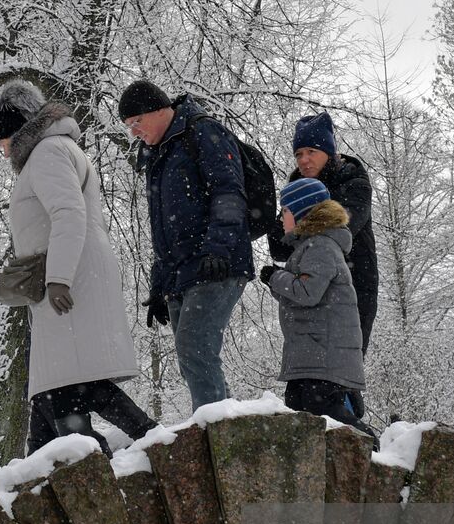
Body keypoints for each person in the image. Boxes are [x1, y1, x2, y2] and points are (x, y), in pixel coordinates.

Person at [0, 79, 156, 454]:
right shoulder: (52, 152)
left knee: (69, 381)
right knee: (56, 386)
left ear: (15, 130)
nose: (2, 153)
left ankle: (139, 440)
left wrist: (58, 280)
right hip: (63, 276)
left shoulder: (48, 152)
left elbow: (67, 213)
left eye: (1, 143)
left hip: (69, 277)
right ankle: (49, 467)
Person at [120, 79, 253, 411]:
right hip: (183, 273)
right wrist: (158, 287)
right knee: (191, 357)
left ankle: (219, 440)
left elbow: (228, 190)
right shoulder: (157, 156)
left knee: (196, 348)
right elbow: (164, 231)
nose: (134, 132)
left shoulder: (202, 132)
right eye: (128, 127)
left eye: (136, 121)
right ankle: (223, 428)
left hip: (218, 264)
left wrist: (218, 248)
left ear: (159, 109)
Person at [259, 178, 373, 436]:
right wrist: (278, 282)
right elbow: (301, 297)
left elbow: (307, 292)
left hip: (324, 356)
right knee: (301, 411)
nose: (280, 218)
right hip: (313, 354)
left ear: (301, 213)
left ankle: (368, 444)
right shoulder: (310, 247)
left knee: (322, 411)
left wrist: (275, 278)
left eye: (285, 211)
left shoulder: (320, 246)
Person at [269, 111, 379, 354]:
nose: (304, 160)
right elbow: (279, 247)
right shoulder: (295, 192)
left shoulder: (353, 182)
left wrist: (295, 222)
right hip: (309, 291)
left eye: (311, 152)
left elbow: (340, 226)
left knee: (345, 366)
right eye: (299, 154)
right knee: (313, 370)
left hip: (354, 287)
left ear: (328, 152)